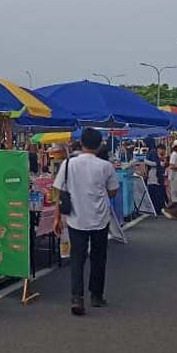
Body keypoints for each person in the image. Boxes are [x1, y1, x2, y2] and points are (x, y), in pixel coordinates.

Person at [54, 127, 120, 316]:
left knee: (77, 258)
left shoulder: (68, 164)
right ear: (99, 145)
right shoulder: (105, 166)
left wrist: (57, 217)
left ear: (81, 143)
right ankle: (96, 295)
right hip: (99, 217)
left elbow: (58, 191)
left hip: (76, 218)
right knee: (99, 258)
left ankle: (77, 297)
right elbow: (113, 191)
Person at [142, 139, 166, 217]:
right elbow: (148, 162)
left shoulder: (154, 153)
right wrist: (158, 164)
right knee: (155, 192)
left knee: (157, 193)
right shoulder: (153, 152)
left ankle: (157, 209)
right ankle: (156, 209)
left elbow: (155, 163)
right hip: (153, 175)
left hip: (156, 176)